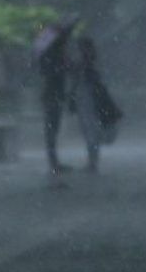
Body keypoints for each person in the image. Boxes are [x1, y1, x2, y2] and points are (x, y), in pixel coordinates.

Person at [70, 36, 122, 173]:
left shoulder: (87, 64)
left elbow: (82, 79)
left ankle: (92, 162)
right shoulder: (88, 63)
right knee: (89, 130)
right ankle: (92, 162)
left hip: (87, 100)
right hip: (86, 99)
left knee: (90, 130)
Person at [36, 17, 78, 177]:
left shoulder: (55, 54)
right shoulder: (53, 56)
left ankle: (54, 162)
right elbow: (60, 71)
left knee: (53, 128)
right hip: (52, 94)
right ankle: (53, 163)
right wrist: (67, 66)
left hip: (54, 94)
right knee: (52, 129)